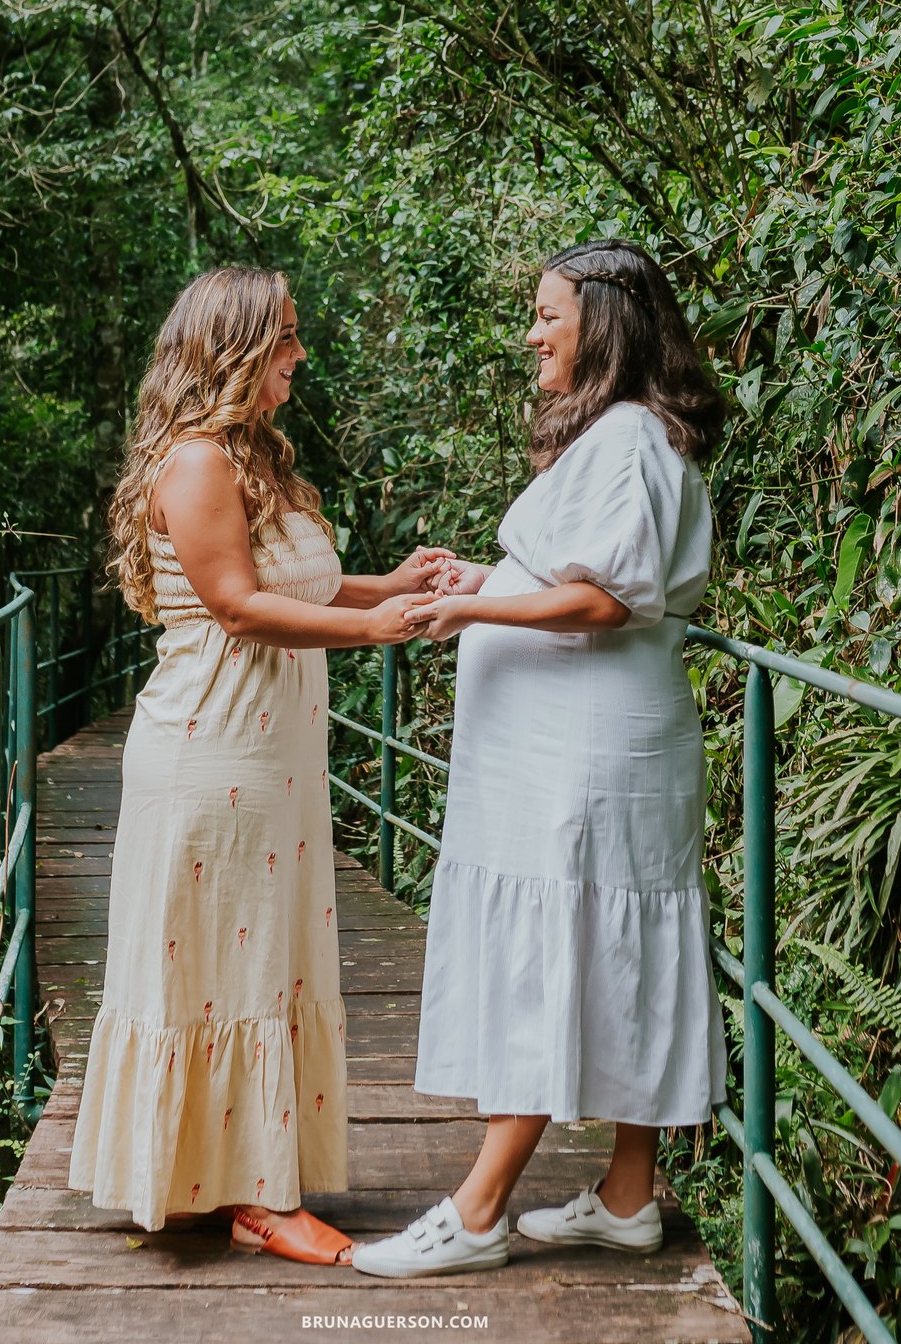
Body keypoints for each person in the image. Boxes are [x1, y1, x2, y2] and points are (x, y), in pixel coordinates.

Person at [351, 239, 728, 1279]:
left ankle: (476, 1215)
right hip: (573, 749)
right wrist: (493, 575)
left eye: (547, 314)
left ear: (603, 324)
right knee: (612, 948)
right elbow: (584, 572)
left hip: (583, 757)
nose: (532, 333)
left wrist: (469, 604)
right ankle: (625, 1198)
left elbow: (608, 599)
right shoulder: (624, 437)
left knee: (562, 946)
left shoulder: (633, 442)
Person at [69, 267, 446, 1263]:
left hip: (267, 762)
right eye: (284, 336)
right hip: (214, 759)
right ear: (232, 348)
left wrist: (384, 583)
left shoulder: (252, 462)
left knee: (254, 961)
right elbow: (236, 604)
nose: (299, 352)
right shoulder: (196, 465)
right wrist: (374, 628)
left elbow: (291, 579)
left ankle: (222, 1175)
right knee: (229, 966)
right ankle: (258, 1195)